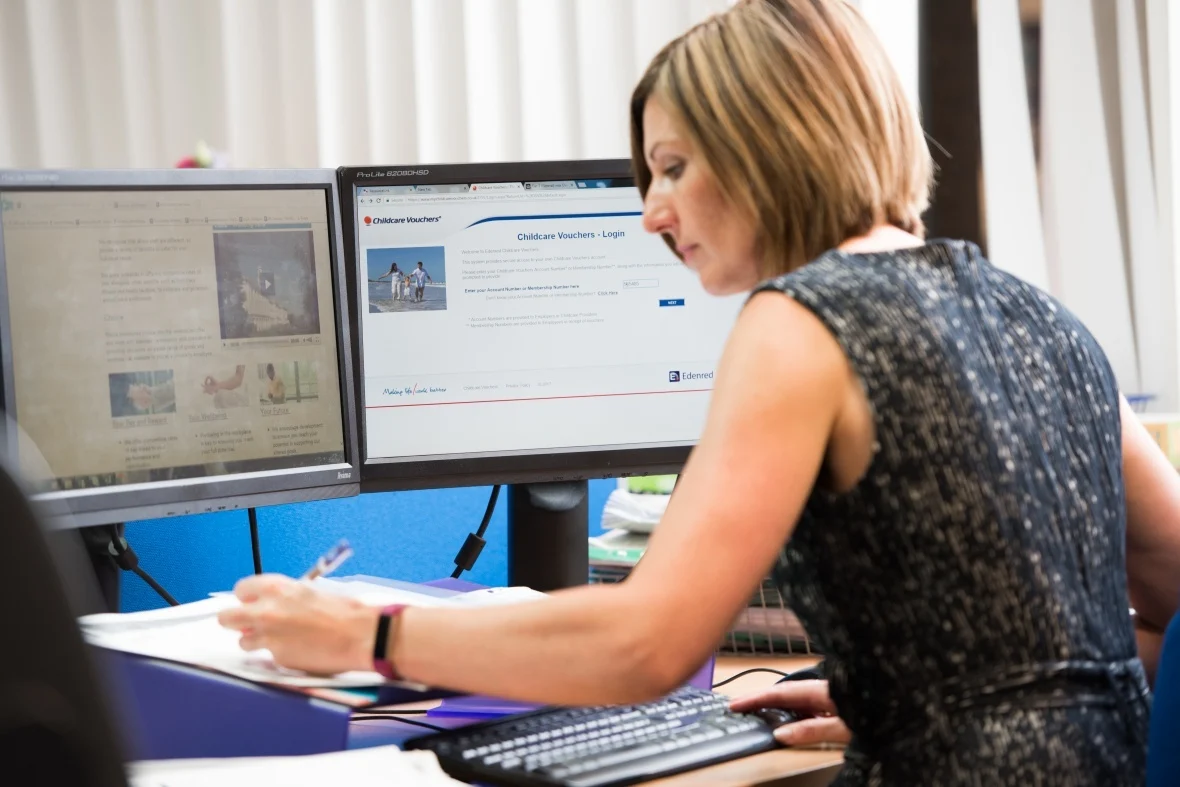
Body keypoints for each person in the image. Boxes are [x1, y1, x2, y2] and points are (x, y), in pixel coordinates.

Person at [218, 2, 1180, 783]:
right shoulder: (1043, 314)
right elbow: (1168, 593)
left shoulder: (804, 319)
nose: (650, 212)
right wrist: (929, 692)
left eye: (674, 167)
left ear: (775, 140)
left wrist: (368, 633)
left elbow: (647, 648)